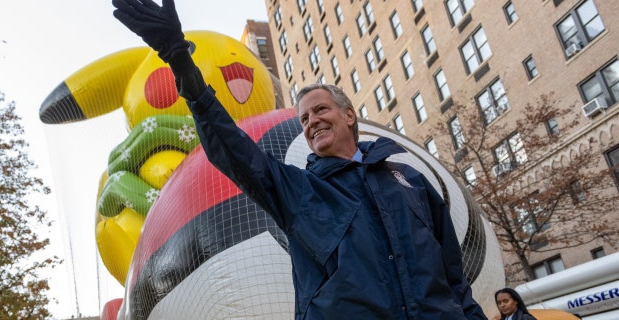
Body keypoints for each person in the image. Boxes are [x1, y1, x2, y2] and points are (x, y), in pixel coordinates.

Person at [112, 0, 488, 318]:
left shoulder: (408, 179)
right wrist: (179, 59)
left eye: (320, 109)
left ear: (349, 115)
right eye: (304, 119)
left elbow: (455, 277)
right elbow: (229, 146)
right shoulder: (298, 189)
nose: (312, 122)